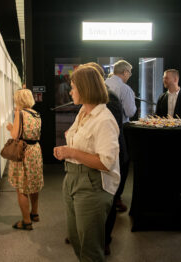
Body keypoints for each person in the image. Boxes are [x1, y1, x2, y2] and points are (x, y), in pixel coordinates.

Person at [54, 65, 120, 262]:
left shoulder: (104, 119)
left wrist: (71, 151)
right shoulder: (83, 112)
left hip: (91, 184)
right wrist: (70, 143)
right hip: (72, 178)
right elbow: (83, 141)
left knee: (90, 248)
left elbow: (106, 162)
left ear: (85, 88)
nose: (71, 91)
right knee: (76, 239)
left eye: (73, 87)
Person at [85, 62, 128, 255]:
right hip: (94, 159)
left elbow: (112, 134)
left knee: (107, 200)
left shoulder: (110, 100)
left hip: (108, 159)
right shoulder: (91, 99)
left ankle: (105, 241)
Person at [6, 89, 43, 230]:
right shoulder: (36, 114)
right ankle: (35, 213)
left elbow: (15, 135)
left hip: (23, 152)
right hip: (35, 151)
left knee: (21, 187)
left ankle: (26, 221)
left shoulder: (20, 114)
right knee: (33, 184)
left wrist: (10, 127)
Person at [105, 60, 136, 212]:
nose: (129, 76)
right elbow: (130, 112)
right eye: (129, 73)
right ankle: (116, 198)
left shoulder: (103, 84)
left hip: (102, 129)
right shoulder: (125, 88)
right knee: (122, 163)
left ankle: (106, 195)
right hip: (118, 130)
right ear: (124, 72)